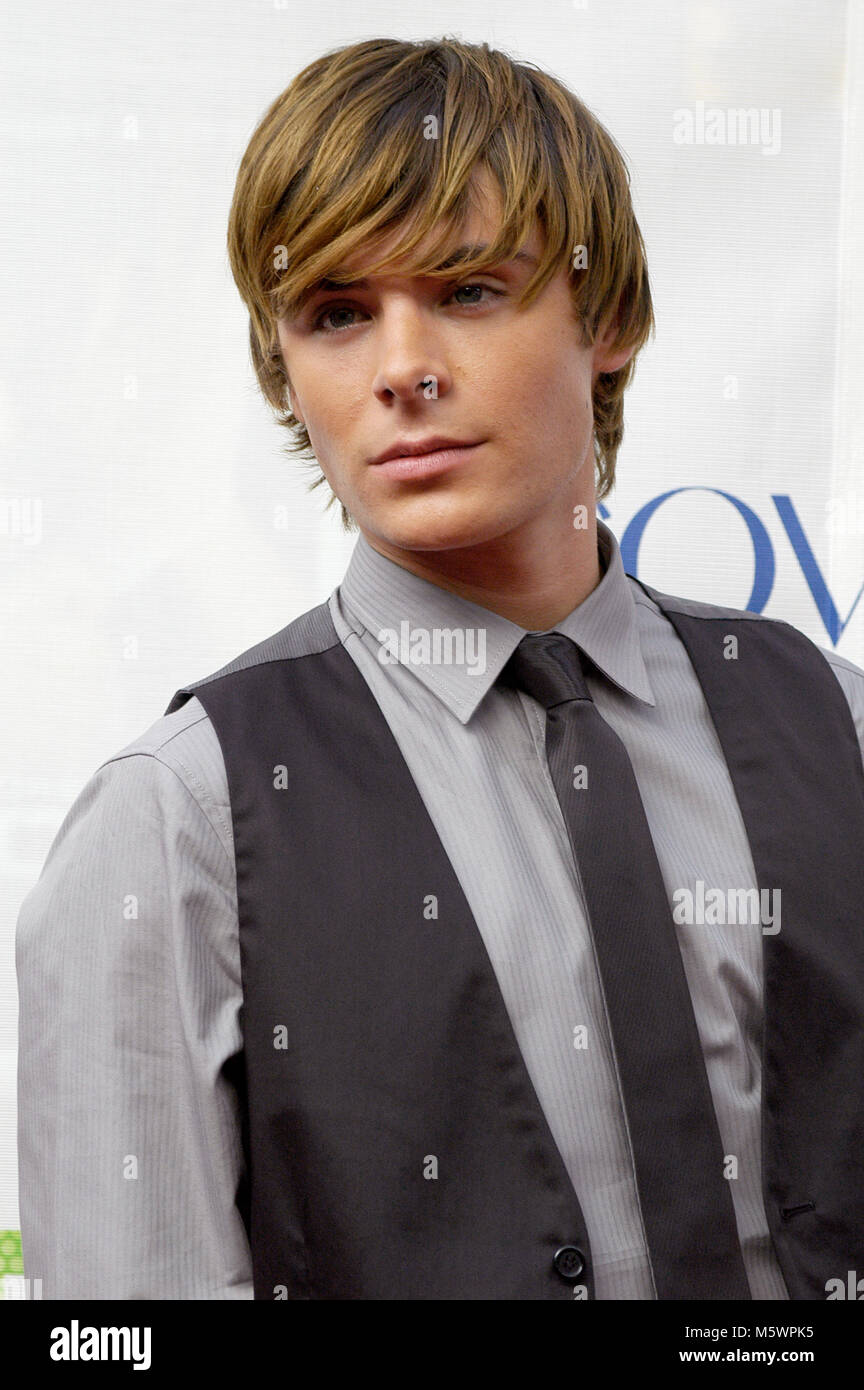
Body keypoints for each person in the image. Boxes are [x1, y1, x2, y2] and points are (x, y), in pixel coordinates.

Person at [15, 35, 864, 1301]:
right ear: (285, 372)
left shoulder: (829, 719)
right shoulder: (179, 821)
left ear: (610, 317)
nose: (402, 369)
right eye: (337, 314)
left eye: (467, 290)